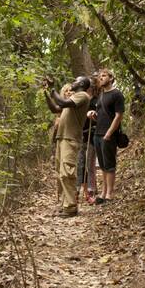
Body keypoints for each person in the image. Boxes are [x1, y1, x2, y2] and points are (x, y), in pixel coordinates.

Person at [43, 76, 92, 218]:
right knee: (60, 174)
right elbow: (55, 108)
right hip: (61, 138)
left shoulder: (82, 96)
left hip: (70, 139)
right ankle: (65, 205)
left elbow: (62, 102)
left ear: (82, 84)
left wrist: (53, 89)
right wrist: (46, 93)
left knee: (67, 173)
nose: (72, 82)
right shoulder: (72, 99)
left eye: (76, 81)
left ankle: (70, 207)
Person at [87, 69, 124, 204]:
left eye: (104, 76)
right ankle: (103, 192)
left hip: (108, 135)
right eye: (100, 76)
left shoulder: (117, 94)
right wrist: (93, 115)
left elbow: (118, 116)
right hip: (97, 134)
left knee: (109, 165)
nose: (101, 78)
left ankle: (109, 193)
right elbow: (102, 116)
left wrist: (109, 133)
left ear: (111, 78)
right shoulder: (101, 95)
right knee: (102, 165)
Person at [77, 74, 99, 204]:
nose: (89, 88)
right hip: (80, 135)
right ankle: (78, 190)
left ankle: (91, 189)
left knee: (90, 163)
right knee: (80, 163)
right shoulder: (81, 99)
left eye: (90, 86)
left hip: (92, 134)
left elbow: (100, 116)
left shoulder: (96, 100)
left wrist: (93, 115)